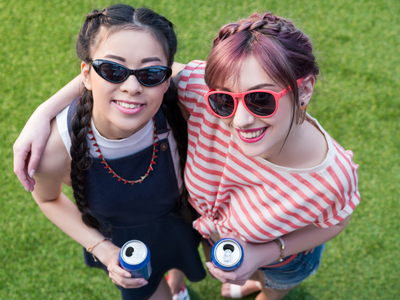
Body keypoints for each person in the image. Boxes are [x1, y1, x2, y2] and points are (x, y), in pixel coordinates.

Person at [14, 11, 360, 300]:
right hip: (210, 238)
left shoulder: (332, 176)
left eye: (261, 99)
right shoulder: (201, 95)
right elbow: (125, 71)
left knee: (274, 285)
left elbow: (337, 220)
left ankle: (261, 288)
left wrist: (266, 254)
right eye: (225, 100)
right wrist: (43, 112)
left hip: (283, 259)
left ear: (305, 89)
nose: (239, 120)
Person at [19, 4, 205, 300]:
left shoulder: (179, 103)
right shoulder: (56, 147)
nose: (132, 87)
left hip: (182, 220)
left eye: (151, 73)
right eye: (113, 70)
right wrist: (103, 250)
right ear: (87, 75)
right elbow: (47, 198)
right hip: (124, 247)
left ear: (167, 79)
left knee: (181, 260)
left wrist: (44, 108)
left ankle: (177, 284)